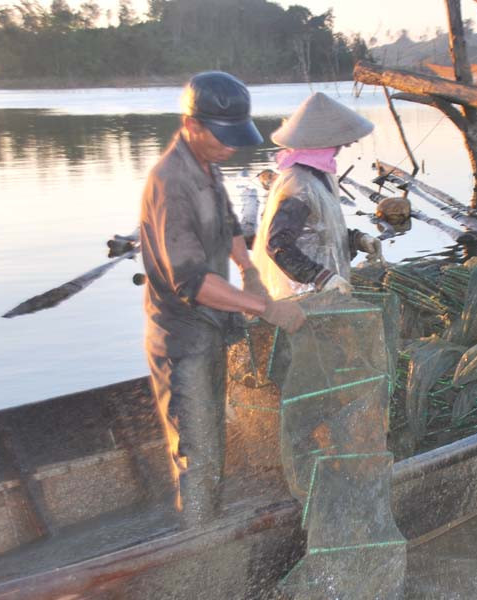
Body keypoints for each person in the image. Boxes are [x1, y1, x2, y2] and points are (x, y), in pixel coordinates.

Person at [139, 71, 305, 527]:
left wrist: (250, 271)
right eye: (222, 136)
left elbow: (230, 224)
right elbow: (191, 282)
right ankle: (199, 548)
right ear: (190, 124)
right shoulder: (171, 182)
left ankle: (207, 522)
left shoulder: (205, 168)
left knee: (215, 434)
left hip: (212, 327)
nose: (232, 147)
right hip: (181, 339)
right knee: (199, 450)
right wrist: (267, 307)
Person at [251, 92, 383, 299]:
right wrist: (320, 277)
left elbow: (319, 229)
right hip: (302, 296)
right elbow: (278, 245)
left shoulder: (319, 176)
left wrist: (357, 239)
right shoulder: (298, 185)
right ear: (325, 141)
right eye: (341, 142)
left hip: (324, 292)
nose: (346, 145)